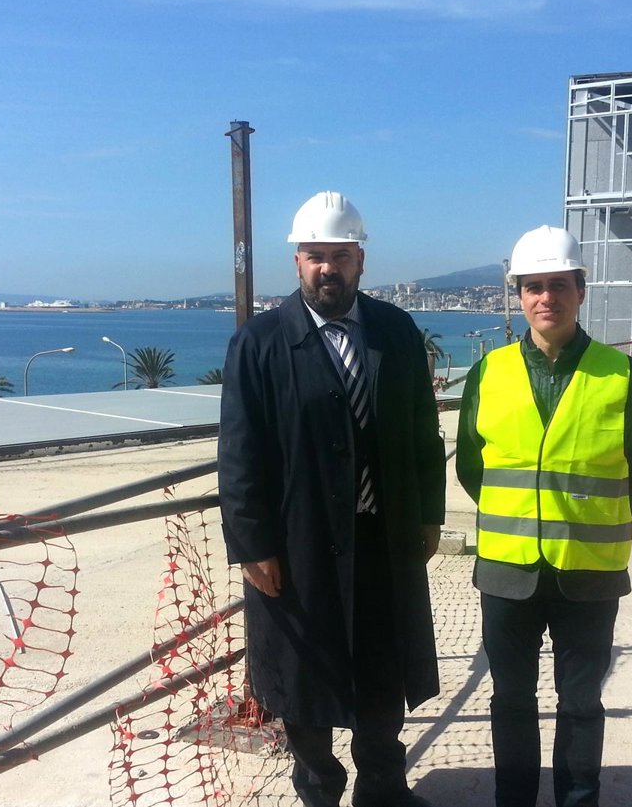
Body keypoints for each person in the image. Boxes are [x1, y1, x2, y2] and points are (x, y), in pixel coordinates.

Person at [219, 191, 446, 807]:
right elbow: (239, 455)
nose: (328, 269)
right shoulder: (260, 343)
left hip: (383, 540)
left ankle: (383, 789)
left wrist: (429, 514)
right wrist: (252, 546)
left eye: (340, 256)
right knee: (305, 684)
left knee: (383, 674)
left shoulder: (396, 331)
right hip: (298, 549)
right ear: (297, 260)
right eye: (316, 256)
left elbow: (423, 431)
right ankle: (319, 791)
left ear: (360, 260)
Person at [456, 225, 632, 807]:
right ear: (519, 295)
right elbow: (472, 468)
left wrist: (583, 517)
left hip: (589, 570)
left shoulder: (622, 375)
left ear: (581, 291)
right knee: (511, 701)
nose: (546, 297)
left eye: (558, 285)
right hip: (507, 570)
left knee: (581, 704)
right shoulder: (488, 373)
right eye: (533, 286)